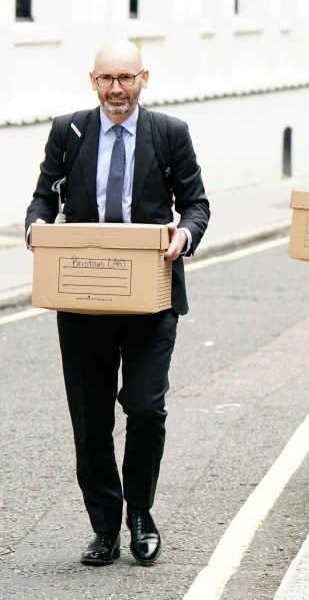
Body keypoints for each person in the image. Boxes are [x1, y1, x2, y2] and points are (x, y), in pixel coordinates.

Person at [24, 40, 210, 566]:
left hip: (150, 298)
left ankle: (141, 514)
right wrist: (35, 226)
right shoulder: (69, 130)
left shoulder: (169, 133)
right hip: (82, 298)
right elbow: (44, 197)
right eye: (106, 80)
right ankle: (104, 528)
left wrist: (184, 235)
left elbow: (196, 203)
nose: (116, 90)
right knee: (90, 417)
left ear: (143, 79)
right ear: (93, 81)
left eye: (126, 79)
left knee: (146, 408)